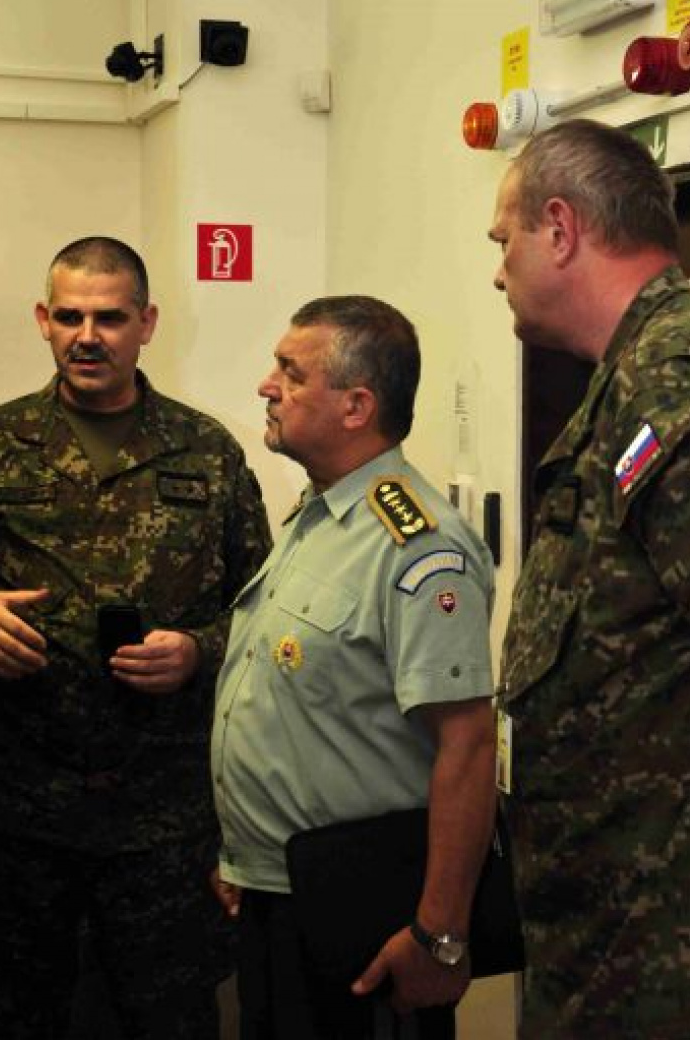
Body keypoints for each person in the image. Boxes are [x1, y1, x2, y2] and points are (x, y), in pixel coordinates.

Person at [488, 119, 690, 1038]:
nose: (498, 272)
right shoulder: (632, 380)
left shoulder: (679, 380)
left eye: (504, 240)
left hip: (685, 952)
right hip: (618, 933)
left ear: (560, 229)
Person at [0, 237, 272, 1040]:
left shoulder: (207, 451)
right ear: (43, 319)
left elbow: (265, 611)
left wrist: (199, 651)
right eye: (70, 315)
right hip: (19, 817)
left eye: (109, 317)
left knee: (166, 1020)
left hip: (163, 822)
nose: (88, 335)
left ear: (147, 323)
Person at [210, 296, 497, 1040]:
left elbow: (467, 744)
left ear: (356, 406)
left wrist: (440, 935)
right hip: (278, 893)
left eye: (290, 372)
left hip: (364, 912)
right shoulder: (319, 515)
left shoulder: (418, 545)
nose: (267, 386)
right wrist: (245, 856)